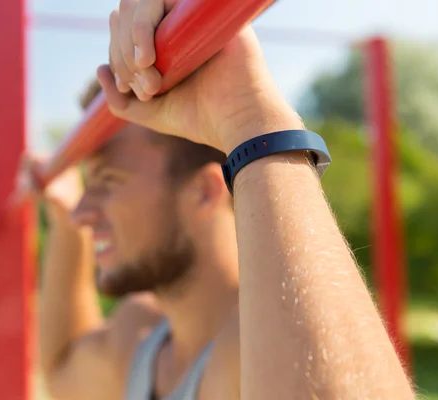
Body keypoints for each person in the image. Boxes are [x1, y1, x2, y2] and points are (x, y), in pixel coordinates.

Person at [23, 0, 415, 398]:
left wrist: (248, 118)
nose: (82, 213)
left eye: (107, 180)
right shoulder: (140, 338)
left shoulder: (251, 348)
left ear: (205, 191)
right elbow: (62, 375)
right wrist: (62, 224)